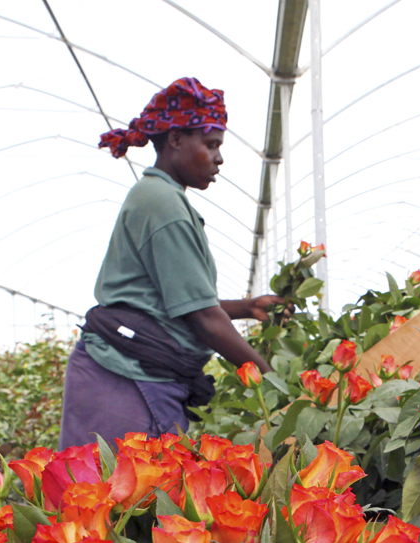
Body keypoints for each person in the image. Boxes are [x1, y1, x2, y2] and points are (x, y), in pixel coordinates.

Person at [60, 77, 281, 447]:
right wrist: (272, 381)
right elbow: (204, 319)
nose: (219, 158)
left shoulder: (160, 197)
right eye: (211, 145)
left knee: (112, 495)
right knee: (118, 494)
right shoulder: (163, 203)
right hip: (126, 380)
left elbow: (172, 303)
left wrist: (246, 307)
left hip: (128, 375)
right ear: (176, 139)